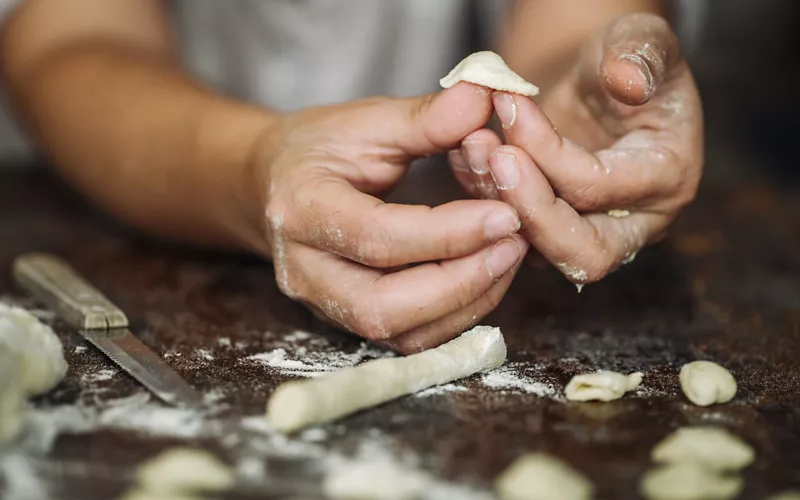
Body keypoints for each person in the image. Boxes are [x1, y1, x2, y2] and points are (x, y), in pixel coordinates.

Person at [0, 1, 703, 353]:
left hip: (436, 179)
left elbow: (569, 24)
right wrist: (250, 170)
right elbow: (72, 33)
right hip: (117, 169)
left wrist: (582, 105)